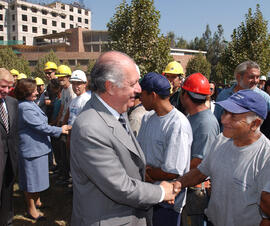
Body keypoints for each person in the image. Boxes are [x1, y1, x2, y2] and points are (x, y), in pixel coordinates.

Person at [70, 51, 180, 226]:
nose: (139, 89)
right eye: (133, 83)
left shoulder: (117, 111)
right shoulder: (90, 127)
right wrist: (160, 192)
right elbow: (120, 187)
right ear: (110, 86)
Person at [177, 89, 270, 226]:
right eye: (225, 112)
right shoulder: (221, 140)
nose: (223, 119)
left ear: (254, 124)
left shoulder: (266, 156)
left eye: (233, 116)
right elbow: (202, 171)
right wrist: (177, 184)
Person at [137, 72, 192, 226]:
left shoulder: (177, 124)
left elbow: (173, 170)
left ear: (153, 95)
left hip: (167, 204)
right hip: (147, 197)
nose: (139, 98)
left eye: (142, 94)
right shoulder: (147, 118)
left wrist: (146, 173)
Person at [14, 78, 70, 221]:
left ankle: (37, 202)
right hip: (31, 149)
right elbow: (40, 127)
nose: (36, 91)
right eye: (33, 90)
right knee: (30, 181)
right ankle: (31, 210)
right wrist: (60, 129)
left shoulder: (29, 103)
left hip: (37, 148)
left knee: (36, 178)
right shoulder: (24, 107)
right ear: (25, 92)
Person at [179, 73, 220, 226]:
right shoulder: (193, 117)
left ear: (185, 95)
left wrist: (171, 170)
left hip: (195, 193)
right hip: (187, 188)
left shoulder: (206, 123)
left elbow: (200, 162)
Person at [214, 60, 270, 129]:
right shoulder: (224, 95)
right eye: (251, 77)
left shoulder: (264, 98)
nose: (255, 81)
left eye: (257, 77)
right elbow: (216, 122)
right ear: (238, 77)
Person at [0, 68, 18, 226]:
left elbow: (15, 132)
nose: (6, 90)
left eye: (9, 87)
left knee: (7, 192)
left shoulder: (12, 103)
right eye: (3, 86)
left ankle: (7, 220)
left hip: (10, 159)